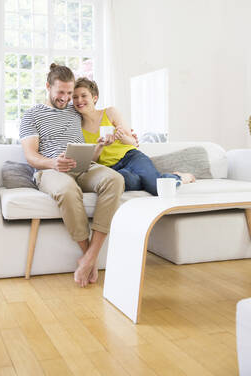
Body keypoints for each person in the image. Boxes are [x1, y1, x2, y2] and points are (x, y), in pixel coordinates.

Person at [19, 64, 125, 288]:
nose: (66, 98)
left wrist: (109, 140)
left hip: (84, 166)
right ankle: (87, 255)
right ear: (48, 87)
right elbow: (30, 156)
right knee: (67, 190)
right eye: (61, 92)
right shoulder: (31, 115)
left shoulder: (74, 110)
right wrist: (53, 163)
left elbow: (99, 114)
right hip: (51, 170)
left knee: (114, 179)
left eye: (69, 93)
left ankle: (89, 257)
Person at [73, 77, 195, 194]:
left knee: (155, 188)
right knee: (126, 182)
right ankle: (151, 179)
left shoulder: (110, 113)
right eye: (75, 97)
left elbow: (133, 143)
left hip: (131, 157)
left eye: (84, 96)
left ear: (94, 98)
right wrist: (99, 146)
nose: (79, 100)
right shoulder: (77, 127)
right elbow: (91, 161)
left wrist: (122, 137)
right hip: (111, 168)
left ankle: (179, 177)